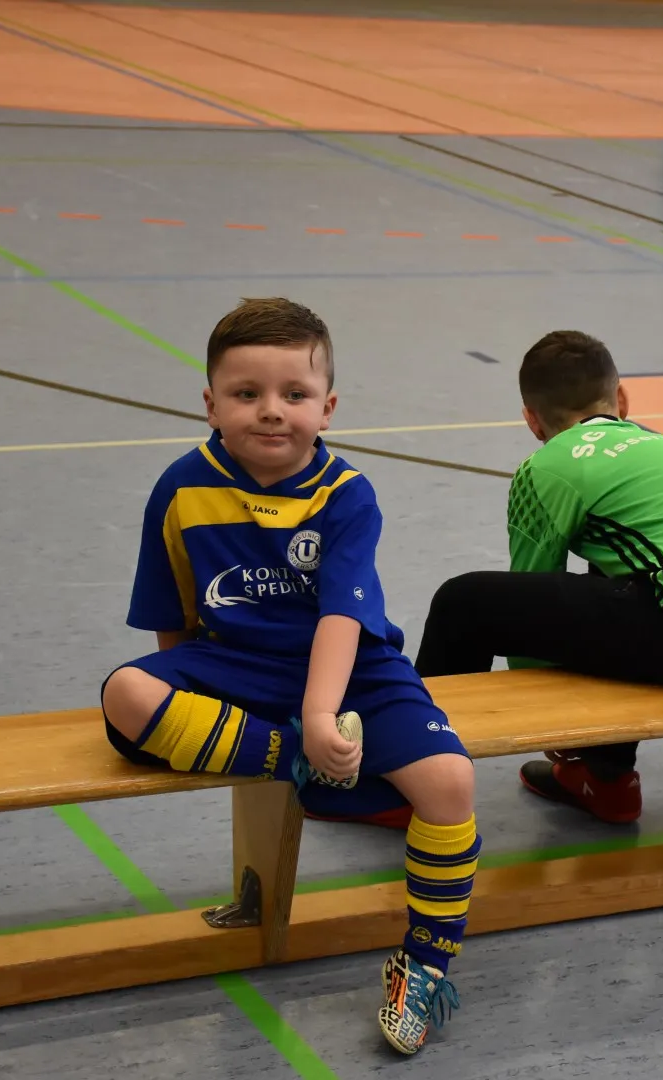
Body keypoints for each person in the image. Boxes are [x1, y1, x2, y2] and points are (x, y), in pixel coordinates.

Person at [99, 298, 477, 1056]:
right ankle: (299, 764)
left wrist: (320, 713)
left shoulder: (346, 493)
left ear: (327, 408)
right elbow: (173, 614)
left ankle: (424, 965)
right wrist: (187, 696)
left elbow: (341, 616)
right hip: (235, 660)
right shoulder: (181, 487)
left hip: (351, 667)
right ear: (210, 404)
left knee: (450, 782)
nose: (271, 411)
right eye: (246, 394)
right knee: (127, 694)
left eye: (294, 394)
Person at [413, 329, 663, 824]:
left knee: (463, 602)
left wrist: (557, 724)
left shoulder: (547, 465)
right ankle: (605, 777)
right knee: (616, 581)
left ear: (532, 420)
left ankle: (411, 775)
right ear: (621, 399)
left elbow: (529, 620)